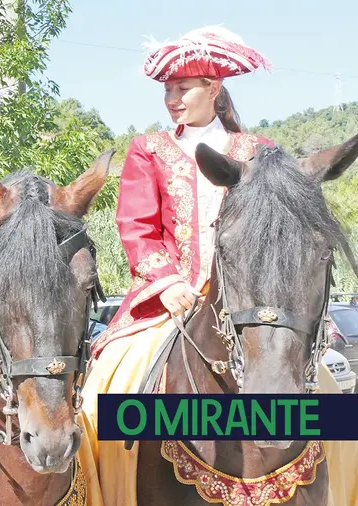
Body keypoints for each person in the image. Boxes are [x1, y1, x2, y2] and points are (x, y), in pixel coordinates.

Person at [81, 26, 357, 506]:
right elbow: (136, 227)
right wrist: (166, 281)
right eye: (166, 89)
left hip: (256, 300)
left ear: (214, 88)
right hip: (172, 300)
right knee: (100, 395)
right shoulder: (147, 150)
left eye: (182, 88)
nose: (172, 98)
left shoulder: (262, 151)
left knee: (334, 404)